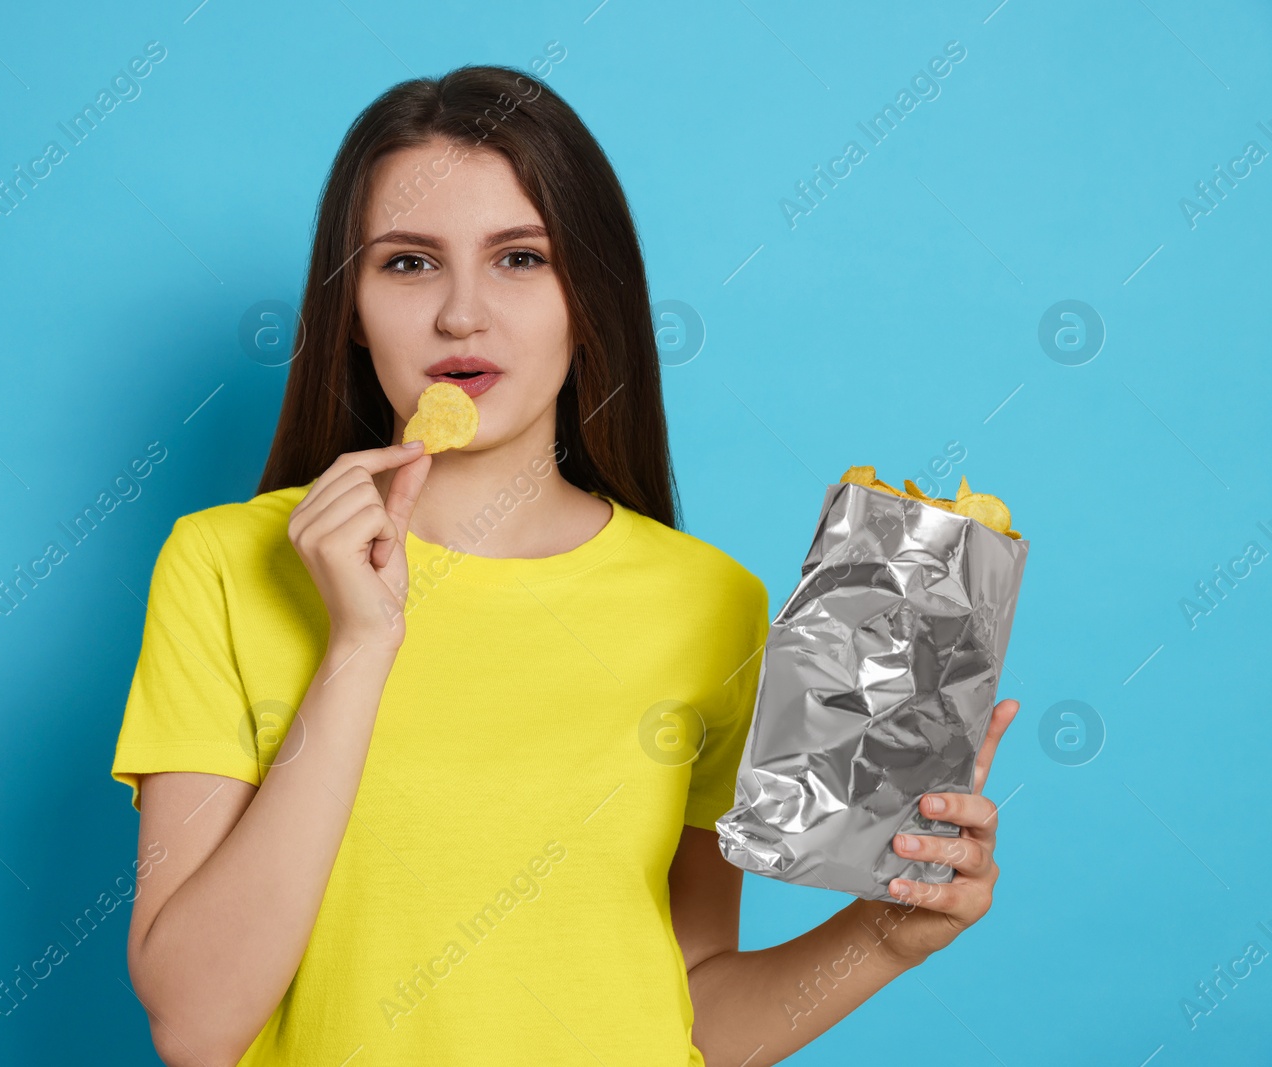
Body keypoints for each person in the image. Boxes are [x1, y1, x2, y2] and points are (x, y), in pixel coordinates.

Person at [109, 63, 1018, 1066]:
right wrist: (359, 645)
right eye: (407, 263)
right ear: (351, 305)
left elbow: (685, 1015)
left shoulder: (709, 601)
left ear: (590, 294)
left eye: (520, 258)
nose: (461, 314)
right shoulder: (228, 564)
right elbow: (196, 1022)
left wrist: (883, 935)